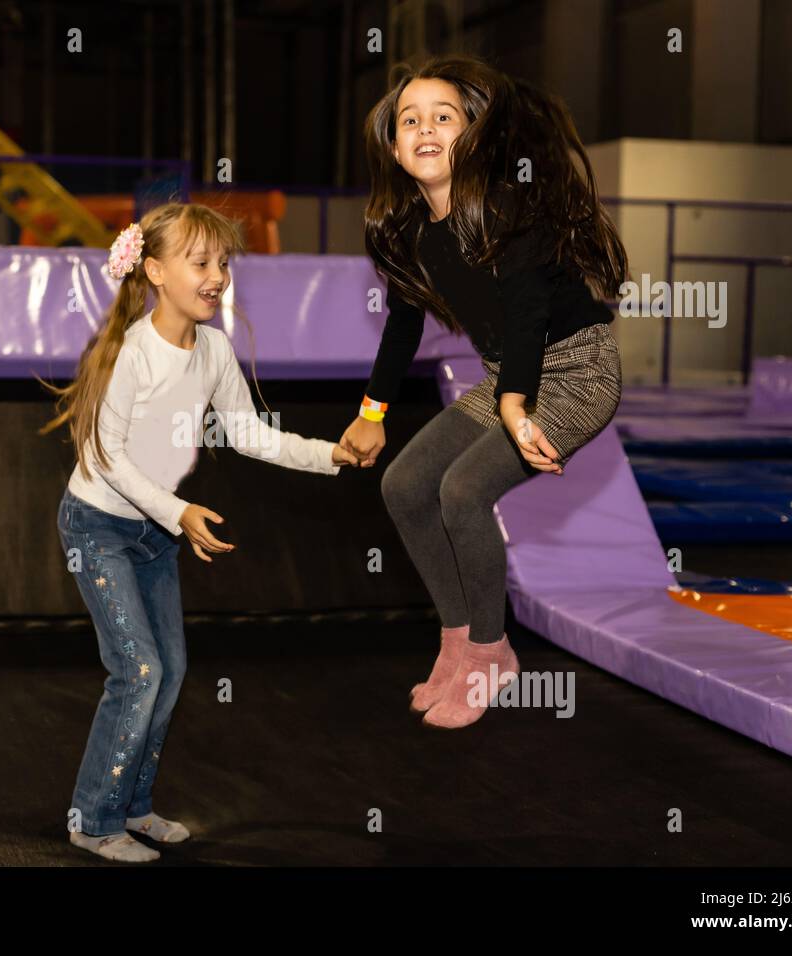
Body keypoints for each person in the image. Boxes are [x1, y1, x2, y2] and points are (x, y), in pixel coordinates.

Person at [40, 202, 358, 861]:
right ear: (154, 271)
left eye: (222, 263)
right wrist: (177, 511)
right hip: (97, 526)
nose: (216, 276)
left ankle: (134, 805)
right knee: (140, 669)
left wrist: (330, 454)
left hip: (153, 532)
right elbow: (107, 457)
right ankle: (92, 819)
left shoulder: (213, 349)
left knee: (173, 669)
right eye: (200, 262)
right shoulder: (131, 353)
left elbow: (248, 435)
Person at [339, 54, 628, 730]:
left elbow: (528, 312)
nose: (426, 129)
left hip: (576, 373)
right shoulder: (409, 229)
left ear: (473, 134)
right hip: (510, 379)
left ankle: (492, 653)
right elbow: (404, 325)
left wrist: (515, 406)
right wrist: (372, 414)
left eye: (445, 116)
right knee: (404, 485)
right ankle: (457, 642)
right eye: (410, 120)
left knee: (464, 490)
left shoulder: (509, 207)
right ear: (393, 143)